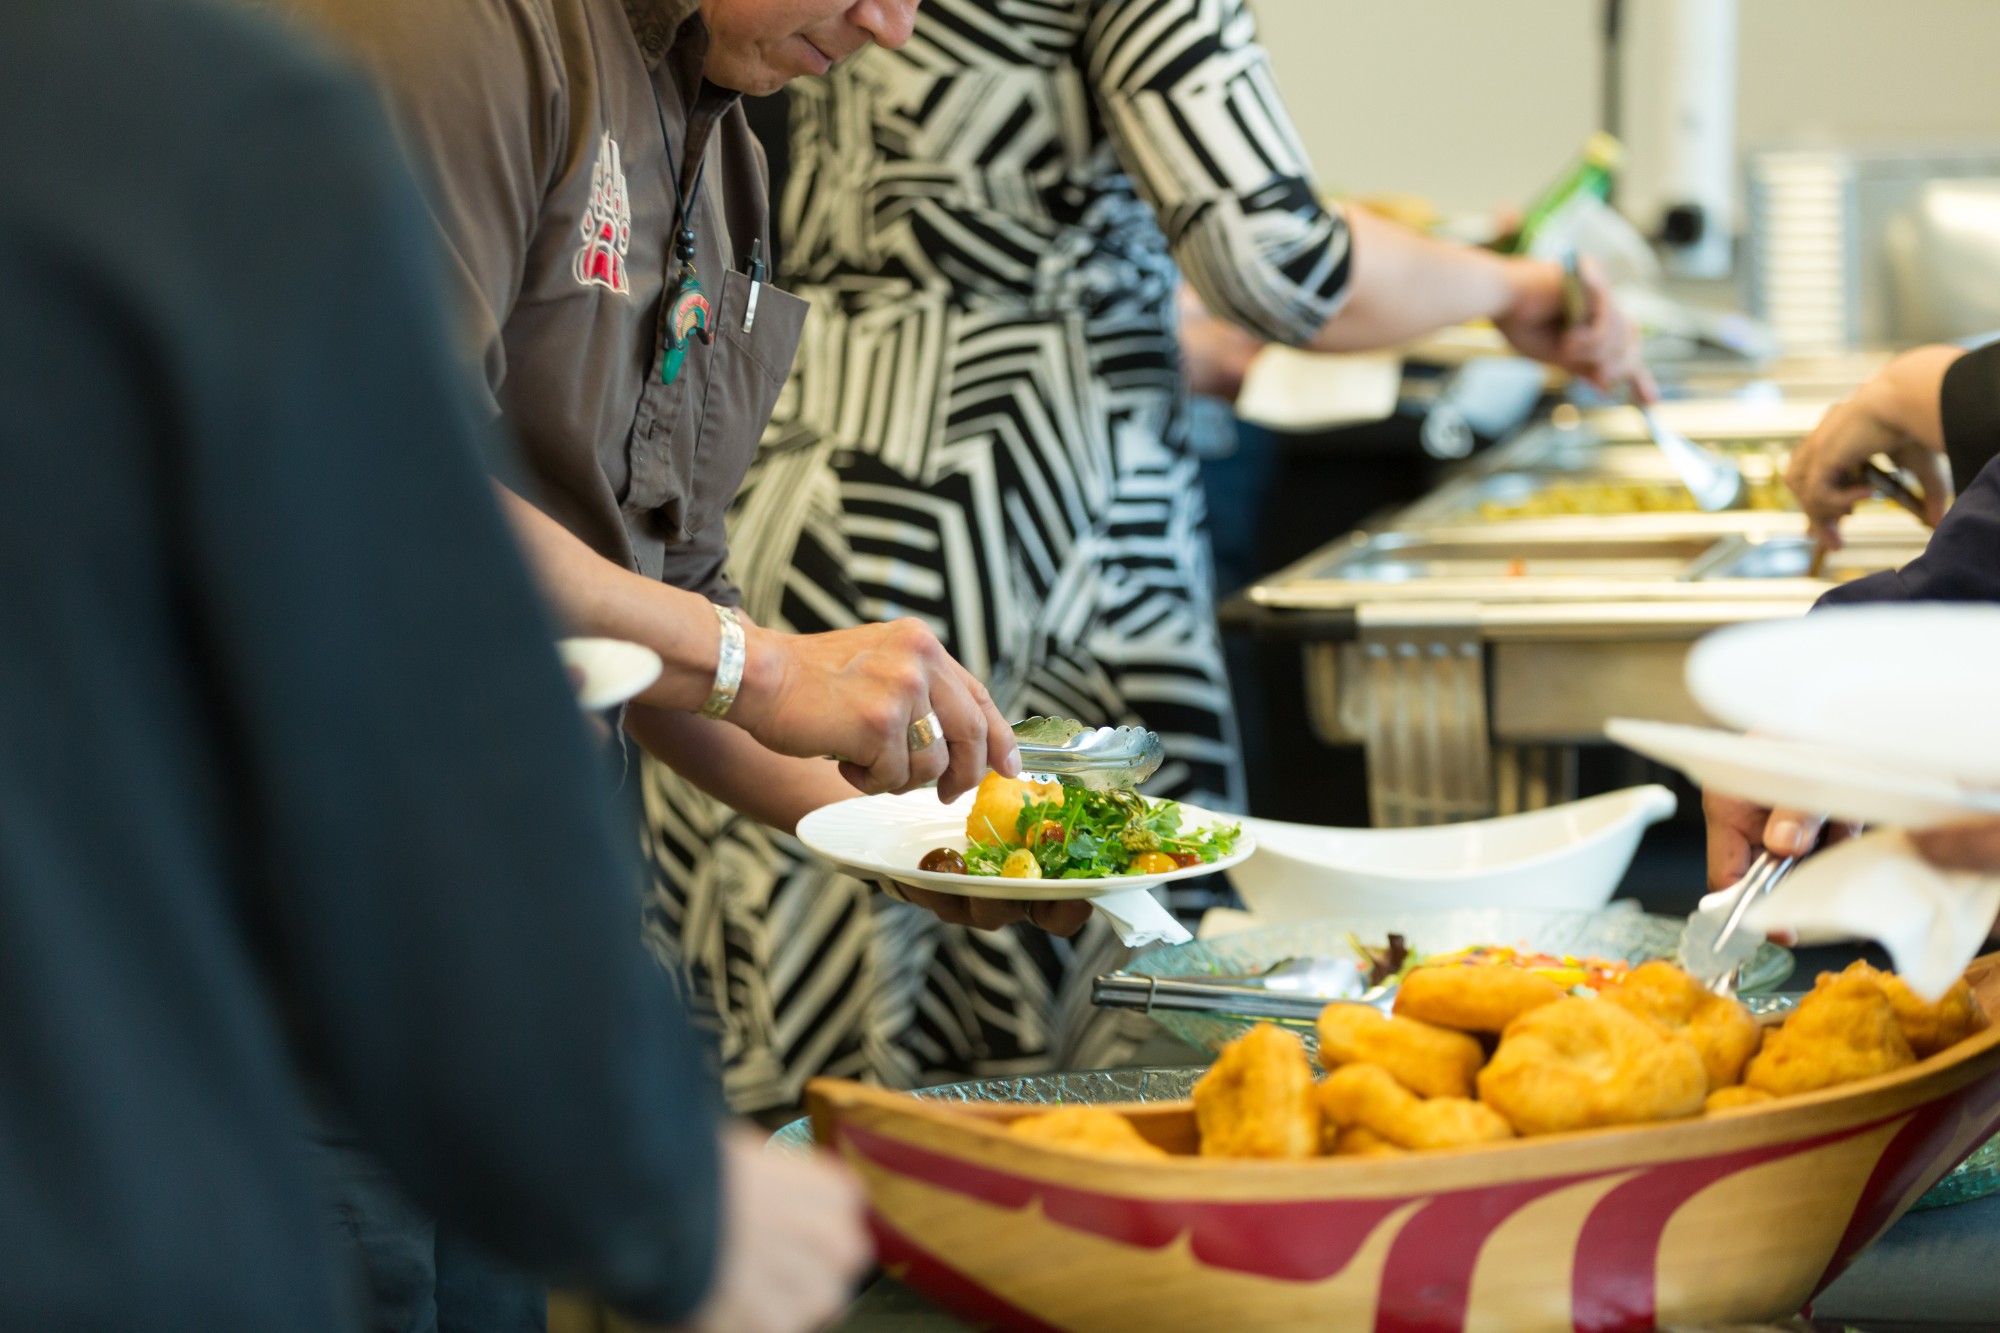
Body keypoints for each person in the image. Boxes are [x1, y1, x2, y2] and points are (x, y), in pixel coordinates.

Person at [0, 2, 867, 1331]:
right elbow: (428, 586)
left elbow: (652, 596)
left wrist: (899, 813)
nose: (894, 22)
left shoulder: (728, 135)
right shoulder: (273, 104)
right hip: (282, 1048)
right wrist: (668, 1198)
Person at [652, 0, 1648, 1111]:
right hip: (1025, 506)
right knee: (1061, 1058)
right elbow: (1276, 262)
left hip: (810, 460)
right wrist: (1517, 285)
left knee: (836, 1047)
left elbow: (968, 209)